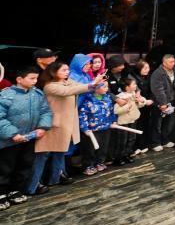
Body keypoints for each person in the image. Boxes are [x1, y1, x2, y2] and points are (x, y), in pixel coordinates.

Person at [28, 62, 103, 195]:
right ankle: (34, 184)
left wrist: (95, 83)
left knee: (60, 151)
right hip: (51, 124)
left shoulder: (67, 82)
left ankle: (57, 177)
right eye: (63, 70)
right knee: (43, 154)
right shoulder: (50, 86)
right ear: (53, 72)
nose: (67, 72)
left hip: (65, 123)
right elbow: (69, 91)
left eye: (67, 69)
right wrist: (92, 83)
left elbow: (81, 86)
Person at [0, 67, 52, 210]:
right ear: (19, 79)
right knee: (5, 167)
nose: (35, 81)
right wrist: (13, 134)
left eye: (36, 78)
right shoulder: (6, 95)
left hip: (29, 139)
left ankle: (15, 190)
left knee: (24, 165)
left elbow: (46, 111)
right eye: (31, 78)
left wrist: (42, 127)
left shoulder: (37, 94)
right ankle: (1, 193)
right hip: (8, 141)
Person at [78, 82, 115, 175]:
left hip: (105, 127)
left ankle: (99, 162)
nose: (107, 88)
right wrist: (85, 128)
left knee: (103, 147)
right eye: (104, 87)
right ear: (96, 88)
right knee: (89, 149)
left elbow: (111, 111)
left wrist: (113, 121)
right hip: (92, 130)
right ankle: (88, 166)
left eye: (107, 86)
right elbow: (82, 115)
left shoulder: (107, 98)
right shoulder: (88, 100)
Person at [113, 77, 151, 165]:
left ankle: (127, 155)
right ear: (127, 87)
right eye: (134, 84)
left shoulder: (134, 95)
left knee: (132, 139)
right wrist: (128, 106)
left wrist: (140, 101)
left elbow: (140, 105)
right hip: (123, 122)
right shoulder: (121, 97)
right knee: (123, 140)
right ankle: (119, 158)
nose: (136, 86)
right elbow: (116, 111)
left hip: (133, 119)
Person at [149, 54, 175, 152]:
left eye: (174, 61)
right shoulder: (158, 73)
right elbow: (158, 89)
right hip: (160, 102)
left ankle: (165, 140)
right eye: (171, 62)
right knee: (157, 123)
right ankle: (155, 143)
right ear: (164, 63)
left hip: (171, 100)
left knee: (168, 122)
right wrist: (163, 103)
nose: (173, 63)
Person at [133, 60, 153, 155]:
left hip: (147, 104)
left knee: (146, 124)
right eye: (144, 68)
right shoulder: (133, 77)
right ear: (139, 68)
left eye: (148, 68)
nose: (147, 70)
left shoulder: (148, 77)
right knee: (138, 125)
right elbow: (136, 93)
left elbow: (151, 90)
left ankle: (144, 144)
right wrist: (144, 101)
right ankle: (137, 145)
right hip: (138, 105)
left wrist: (151, 99)